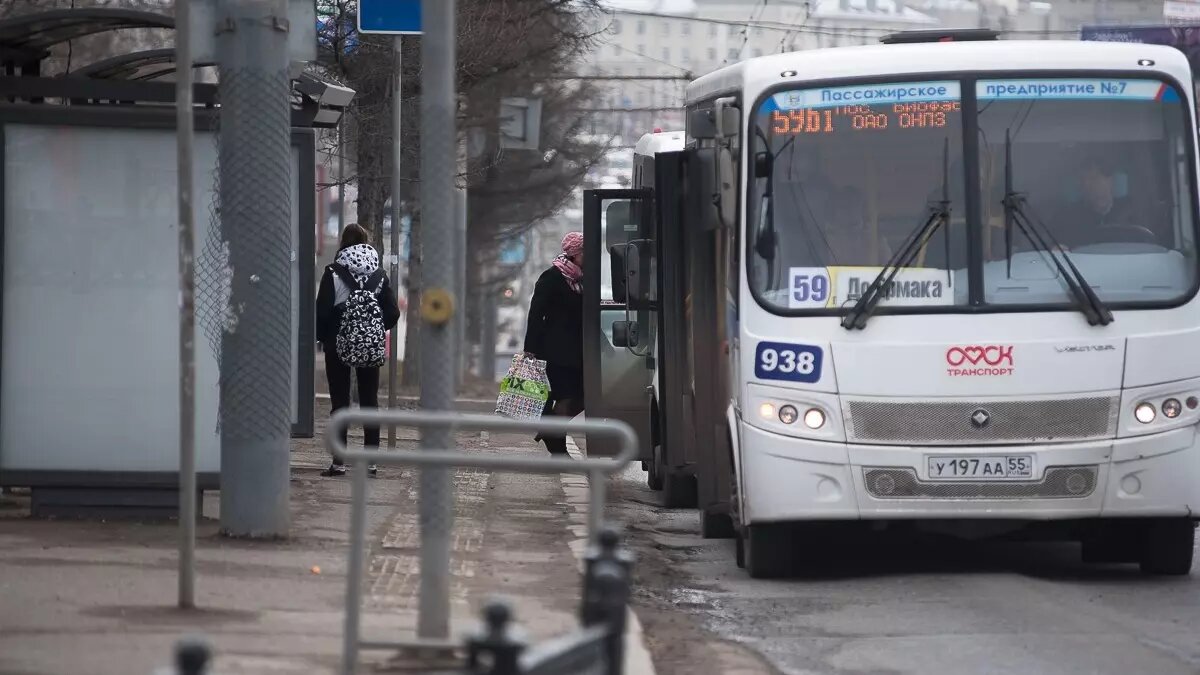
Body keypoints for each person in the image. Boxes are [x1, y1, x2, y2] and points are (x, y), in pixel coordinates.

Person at [316, 224, 401, 477]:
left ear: (343, 243)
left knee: (340, 403)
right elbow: (393, 312)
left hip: (337, 344)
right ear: (366, 243)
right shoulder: (379, 274)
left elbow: (322, 311)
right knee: (369, 401)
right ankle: (371, 462)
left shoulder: (332, 272)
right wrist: (374, 329)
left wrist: (325, 337)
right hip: (370, 345)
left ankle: (339, 462)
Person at [523, 232, 585, 456]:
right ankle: (558, 448)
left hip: (578, 350)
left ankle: (550, 430)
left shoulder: (581, 279)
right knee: (567, 396)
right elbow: (536, 313)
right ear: (575, 254)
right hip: (556, 351)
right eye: (585, 252)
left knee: (581, 396)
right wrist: (530, 348)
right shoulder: (551, 277)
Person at [1050, 156, 1139, 249]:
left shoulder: (1133, 211)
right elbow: (1054, 246)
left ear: (1110, 180)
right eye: (1083, 180)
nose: (1087, 184)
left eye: (1094, 178)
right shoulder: (1066, 217)